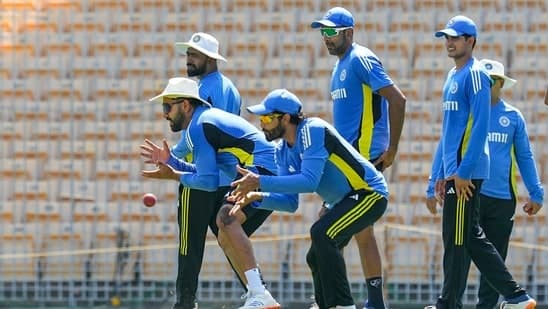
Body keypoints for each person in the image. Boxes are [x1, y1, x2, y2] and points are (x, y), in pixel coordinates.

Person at [228, 89, 389, 309]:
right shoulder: (282, 150)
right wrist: (258, 197)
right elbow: (290, 202)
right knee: (314, 256)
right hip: (346, 200)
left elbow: (309, 181)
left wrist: (260, 181)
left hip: (370, 193)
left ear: (285, 118)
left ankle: (343, 305)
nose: (262, 123)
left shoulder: (312, 130)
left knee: (321, 234)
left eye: (267, 118)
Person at [424, 15, 537, 309]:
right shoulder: (453, 76)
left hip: (466, 172)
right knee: (460, 238)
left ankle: (508, 296)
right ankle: (510, 296)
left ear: (471, 41)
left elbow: (479, 128)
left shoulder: (475, 75)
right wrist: (441, 173)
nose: (449, 42)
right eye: (446, 37)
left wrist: (461, 172)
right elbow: (449, 132)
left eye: (455, 37)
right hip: (455, 171)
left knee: (462, 237)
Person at [140, 77, 280, 309]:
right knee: (225, 230)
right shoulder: (204, 122)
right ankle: (260, 296)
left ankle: (260, 295)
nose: (165, 114)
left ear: (186, 106)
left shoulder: (198, 127)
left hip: (266, 171)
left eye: (168, 106)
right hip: (261, 170)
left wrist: (173, 175)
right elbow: (208, 172)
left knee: (226, 220)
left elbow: (207, 183)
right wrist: (171, 161)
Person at [310, 7, 407, 309]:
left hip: (363, 160)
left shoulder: (361, 59)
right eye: (322, 32)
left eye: (331, 32)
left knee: (329, 228)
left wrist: (391, 150)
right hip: (346, 162)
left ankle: (337, 301)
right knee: (358, 231)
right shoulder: (339, 67)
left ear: (349, 32)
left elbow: (397, 99)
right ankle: (367, 301)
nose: (325, 38)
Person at [163, 32, 243, 309]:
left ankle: (185, 303)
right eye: (187, 54)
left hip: (201, 175)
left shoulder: (200, 91)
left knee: (189, 246)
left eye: (193, 55)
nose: (188, 60)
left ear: (210, 59)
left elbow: (201, 134)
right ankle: (257, 292)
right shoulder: (231, 88)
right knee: (230, 242)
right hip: (226, 178)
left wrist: (172, 158)